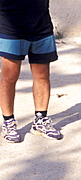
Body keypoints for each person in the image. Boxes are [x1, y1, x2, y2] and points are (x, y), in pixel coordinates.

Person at [0, 0, 62, 143]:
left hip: (41, 24)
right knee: (9, 76)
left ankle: (40, 120)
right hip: (11, 24)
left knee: (42, 75)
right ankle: (8, 121)